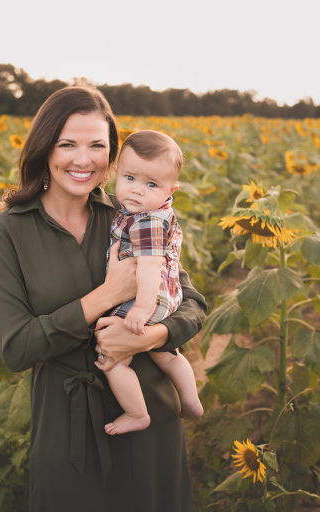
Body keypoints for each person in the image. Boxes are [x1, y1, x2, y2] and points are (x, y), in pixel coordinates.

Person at [0, 86, 206, 512]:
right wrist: (106, 296)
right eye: (67, 144)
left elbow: (192, 304)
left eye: (97, 146)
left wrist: (150, 337)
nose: (82, 160)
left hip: (149, 413)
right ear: (45, 147)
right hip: (67, 425)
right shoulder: (7, 232)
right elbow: (16, 348)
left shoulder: (129, 216)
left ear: (113, 156)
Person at [99, 130, 204, 436]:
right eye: (130, 178)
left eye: (151, 184)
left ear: (172, 189)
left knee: (113, 359)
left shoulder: (146, 221)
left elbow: (148, 266)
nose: (137, 191)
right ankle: (191, 399)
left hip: (149, 297)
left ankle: (136, 413)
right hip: (168, 295)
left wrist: (141, 309)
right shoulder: (157, 212)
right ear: (116, 173)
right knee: (167, 355)